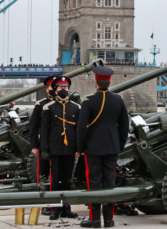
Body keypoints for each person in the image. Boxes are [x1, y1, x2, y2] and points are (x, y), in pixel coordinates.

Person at [77, 66, 129, 228]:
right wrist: (119, 145)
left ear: (96, 81)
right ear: (109, 81)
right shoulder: (118, 100)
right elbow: (124, 126)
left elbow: (81, 128)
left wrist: (81, 147)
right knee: (109, 183)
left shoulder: (88, 101)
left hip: (93, 148)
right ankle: (109, 219)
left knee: (94, 183)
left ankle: (95, 219)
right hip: (112, 147)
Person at [41, 76, 79, 220]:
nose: (64, 90)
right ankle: (54, 209)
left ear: (69, 89)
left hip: (69, 149)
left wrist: (78, 149)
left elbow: (78, 131)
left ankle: (66, 208)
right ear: (55, 90)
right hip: (55, 149)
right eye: (60, 88)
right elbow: (44, 130)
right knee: (55, 180)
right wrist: (44, 149)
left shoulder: (76, 107)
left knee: (67, 180)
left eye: (65, 88)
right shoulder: (48, 108)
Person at [29, 75, 57, 216]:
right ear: (47, 89)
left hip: (59, 144)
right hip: (44, 144)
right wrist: (34, 146)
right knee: (44, 176)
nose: (54, 89)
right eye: (52, 86)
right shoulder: (40, 105)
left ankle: (62, 204)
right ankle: (46, 204)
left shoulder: (64, 104)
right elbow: (33, 127)